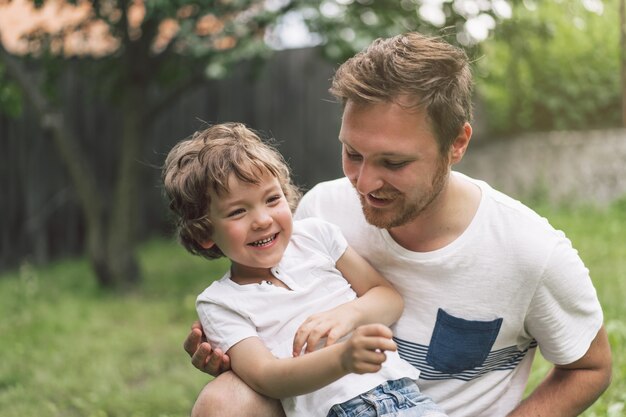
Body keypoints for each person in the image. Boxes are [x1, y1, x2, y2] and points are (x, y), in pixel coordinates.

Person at [184, 33, 612, 417]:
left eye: (394, 162)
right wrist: (232, 353)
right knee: (225, 401)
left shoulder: (529, 250)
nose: (365, 183)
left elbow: (590, 368)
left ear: (457, 144)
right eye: (353, 153)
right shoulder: (321, 211)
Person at [163, 122, 448, 417]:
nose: (262, 220)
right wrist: (342, 359)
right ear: (204, 233)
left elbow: (388, 298)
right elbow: (266, 376)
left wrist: (348, 315)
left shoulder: (315, 237)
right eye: (238, 211)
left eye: (272, 199)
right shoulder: (220, 303)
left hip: (407, 398)